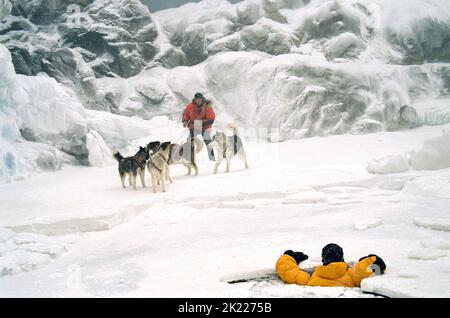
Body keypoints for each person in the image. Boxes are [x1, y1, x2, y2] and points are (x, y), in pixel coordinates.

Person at [276, 243, 386, 287]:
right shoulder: (353, 275)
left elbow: (286, 271)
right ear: (342, 258)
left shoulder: (311, 279)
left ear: (324, 260)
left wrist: (290, 257)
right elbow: (377, 266)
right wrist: (368, 260)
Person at [182, 92, 216, 161]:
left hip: (205, 127)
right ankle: (189, 157)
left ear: (202, 99)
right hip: (194, 127)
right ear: (195, 99)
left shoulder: (207, 106)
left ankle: (212, 157)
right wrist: (185, 121)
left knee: (207, 140)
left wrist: (197, 124)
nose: (198, 100)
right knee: (189, 140)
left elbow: (211, 120)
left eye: (199, 99)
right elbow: (185, 114)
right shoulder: (190, 106)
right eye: (197, 99)